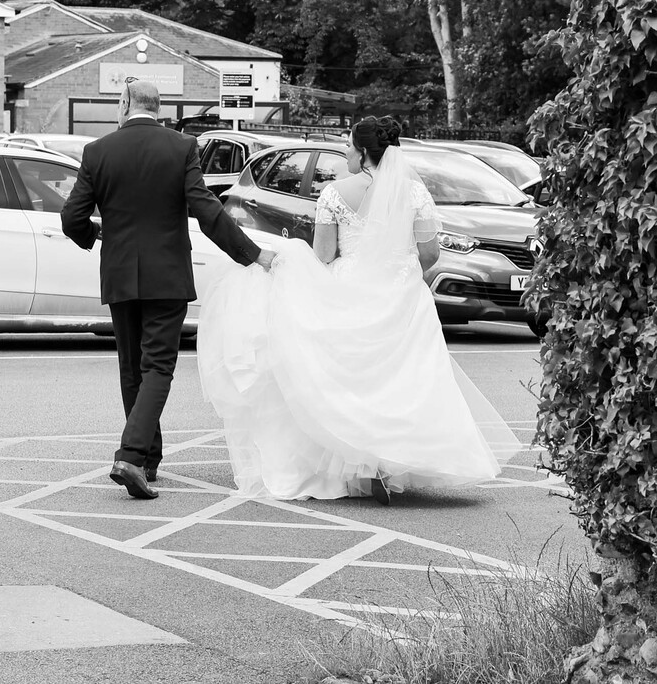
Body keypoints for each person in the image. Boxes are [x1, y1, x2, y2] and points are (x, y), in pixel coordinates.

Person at [198, 115, 520, 503]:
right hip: (403, 296)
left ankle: (362, 464)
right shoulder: (414, 192)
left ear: (364, 151)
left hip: (349, 291)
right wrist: (399, 271)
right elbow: (430, 253)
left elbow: (323, 254)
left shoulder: (335, 193)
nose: (346, 152)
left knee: (352, 381)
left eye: (349, 146)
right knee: (406, 380)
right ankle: (392, 461)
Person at [61, 78, 275, 501]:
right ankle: (132, 455)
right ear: (158, 108)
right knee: (157, 367)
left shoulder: (97, 151)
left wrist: (95, 234)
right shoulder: (181, 148)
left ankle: (146, 460)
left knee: (131, 370)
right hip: (168, 274)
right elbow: (206, 210)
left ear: (124, 103)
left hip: (120, 274)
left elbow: (71, 218)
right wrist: (253, 254)